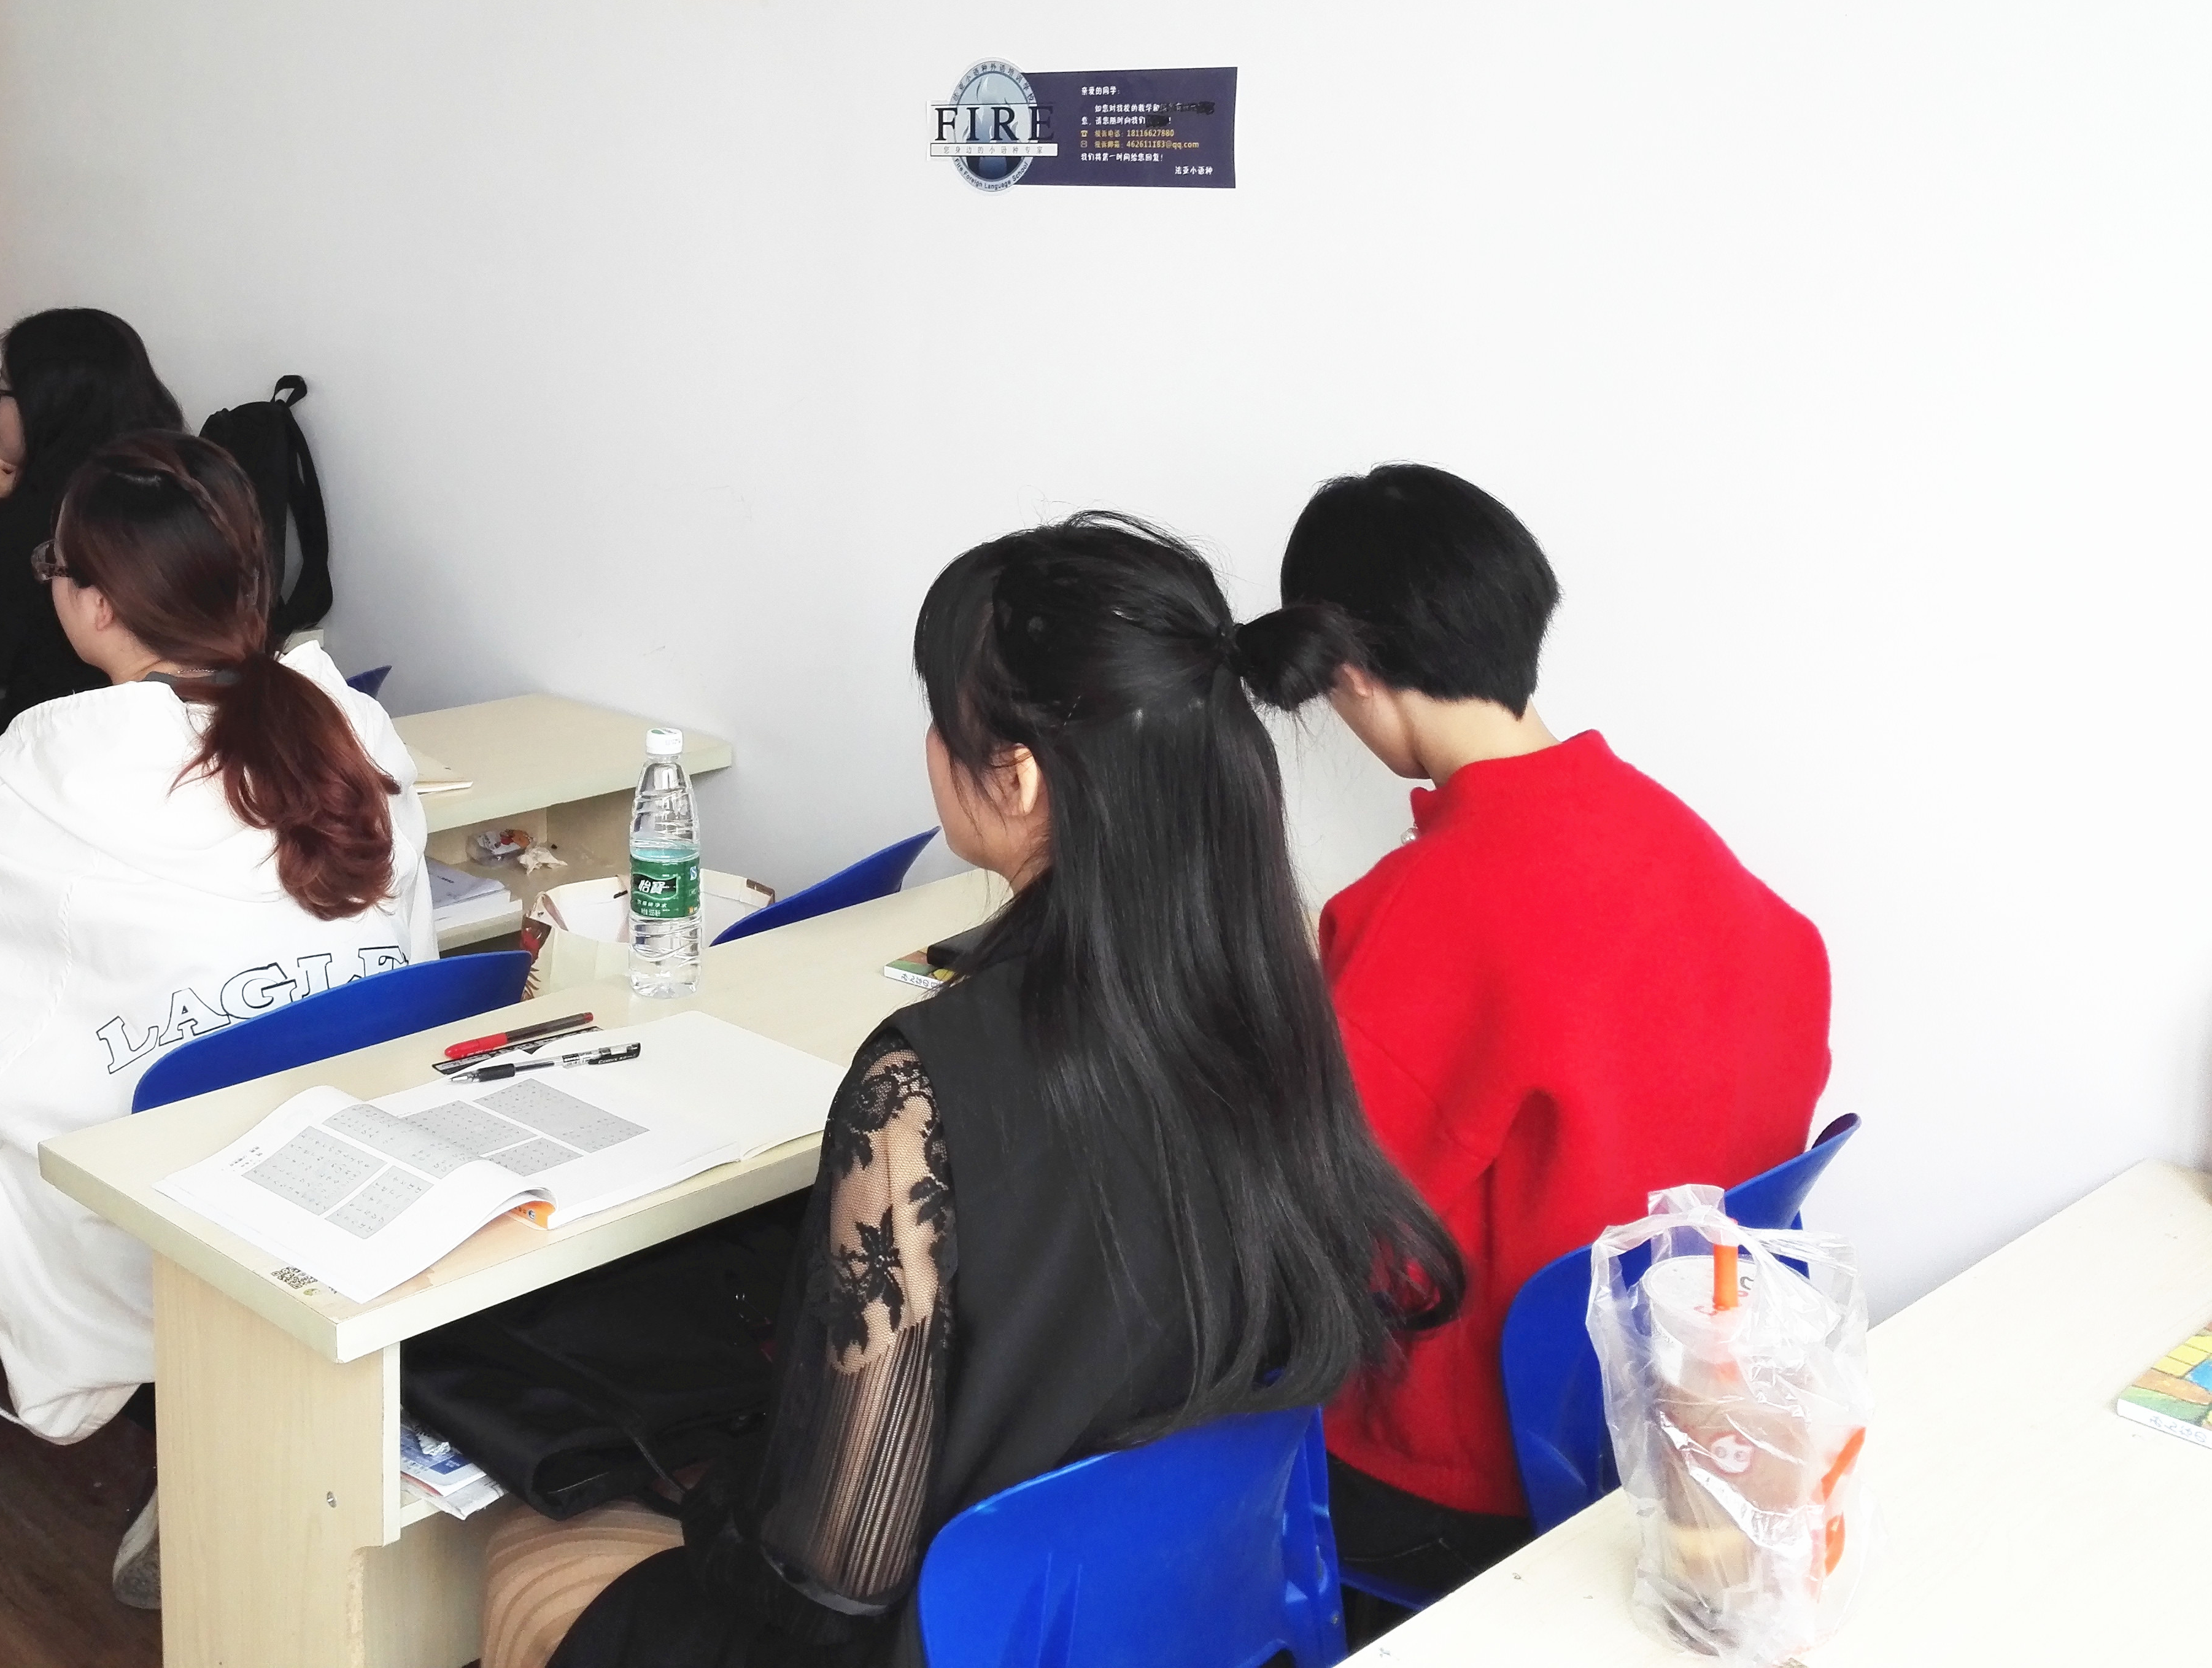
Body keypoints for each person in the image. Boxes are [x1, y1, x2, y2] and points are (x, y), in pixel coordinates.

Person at [478, 513, 1463, 1668]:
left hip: (951, 1643)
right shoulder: (1272, 996)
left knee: (526, 1558)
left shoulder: (918, 1089)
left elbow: (839, 1567)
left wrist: (712, 1491)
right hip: (1170, 1615)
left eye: (941, 719)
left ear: (1020, 775)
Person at [0, 430, 437, 1612]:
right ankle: (218, 1432)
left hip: (151, 1214)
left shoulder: (62, 758)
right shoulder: (344, 721)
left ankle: (198, 1435)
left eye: (52, 565)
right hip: (335, 1180)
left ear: (97, 601)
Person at [1239, 464, 1832, 1637]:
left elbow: (1317, 1234)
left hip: (1470, 1480)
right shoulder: (1693, 851)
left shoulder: (1413, 913)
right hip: (1687, 1436)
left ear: (1346, 672)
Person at [0, 308, 183, 721]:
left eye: (3, 392)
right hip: (197, 727)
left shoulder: (50, 513)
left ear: (45, 403)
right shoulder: (185, 483)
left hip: (66, 733)